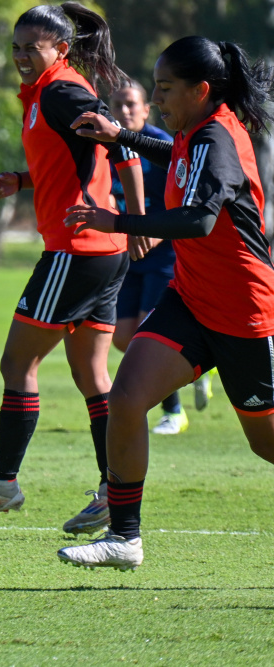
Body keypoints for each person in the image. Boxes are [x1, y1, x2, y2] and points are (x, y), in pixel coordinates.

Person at [58, 35, 274, 570]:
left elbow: (198, 220)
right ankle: (124, 538)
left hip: (245, 312)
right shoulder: (196, 131)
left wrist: (118, 221)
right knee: (127, 398)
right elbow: (175, 153)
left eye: (165, 88)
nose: (155, 99)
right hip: (192, 301)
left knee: (266, 444)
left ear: (201, 91)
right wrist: (121, 135)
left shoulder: (217, 139)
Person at [0, 2, 146, 536]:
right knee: (91, 376)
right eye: (16, 47)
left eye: (31, 47)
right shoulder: (45, 95)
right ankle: (111, 490)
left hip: (75, 252)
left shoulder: (61, 90)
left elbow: (119, 146)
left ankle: (3, 484)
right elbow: (78, 161)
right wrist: (22, 180)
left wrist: (139, 218)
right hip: (99, 254)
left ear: (59, 48)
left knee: (17, 364)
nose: (20, 56)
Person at [108, 81, 190, 435]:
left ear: (145, 109)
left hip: (164, 256)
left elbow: (185, 206)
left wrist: (154, 234)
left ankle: (174, 412)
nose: (125, 112)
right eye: (118, 105)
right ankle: (198, 364)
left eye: (131, 105)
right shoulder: (107, 147)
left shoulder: (164, 148)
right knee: (122, 338)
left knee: (146, 335)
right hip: (129, 256)